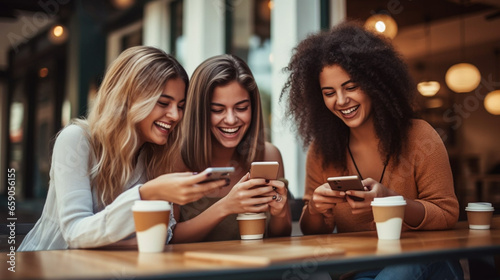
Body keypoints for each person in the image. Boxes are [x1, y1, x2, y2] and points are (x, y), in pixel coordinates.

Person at [281, 22, 463, 279]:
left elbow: (446, 214)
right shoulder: (323, 150)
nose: (341, 101)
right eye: (329, 92)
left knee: (405, 267)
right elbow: (314, 232)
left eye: (351, 87)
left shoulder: (420, 136)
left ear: (376, 83)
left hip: (424, 262)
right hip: (359, 270)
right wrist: (315, 208)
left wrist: (390, 201)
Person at [18, 46, 227, 251]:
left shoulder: (157, 155)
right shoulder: (77, 140)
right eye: (163, 103)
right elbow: (75, 233)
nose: (176, 115)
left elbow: (162, 236)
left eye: (180, 106)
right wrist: (148, 193)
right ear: (128, 99)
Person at [171, 54, 291, 243]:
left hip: (256, 269)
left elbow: (281, 238)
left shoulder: (268, 155)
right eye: (218, 110)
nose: (231, 120)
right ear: (199, 112)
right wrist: (226, 206)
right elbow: (169, 239)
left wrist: (280, 213)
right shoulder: (174, 159)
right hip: (194, 270)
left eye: (241, 108)